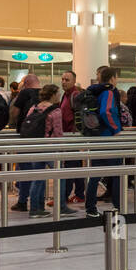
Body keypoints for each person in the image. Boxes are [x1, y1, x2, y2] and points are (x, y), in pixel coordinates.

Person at [83, 66, 122, 218]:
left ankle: (90, 207)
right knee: (118, 172)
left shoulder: (96, 91)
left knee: (95, 173)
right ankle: (119, 205)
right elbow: (106, 111)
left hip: (97, 137)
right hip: (108, 138)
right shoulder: (109, 92)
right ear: (112, 78)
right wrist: (116, 128)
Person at [24, 85, 64, 218]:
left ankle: (36, 208)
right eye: (58, 93)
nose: (59, 95)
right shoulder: (56, 110)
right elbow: (58, 133)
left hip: (35, 147)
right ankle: (61, 206)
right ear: (52, 95)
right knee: (61, 176)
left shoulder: (34, 108)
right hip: (50, 147)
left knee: (38, 178)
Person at [9, 74, 44, 213]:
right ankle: (38, 203)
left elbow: (14, 113)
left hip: (25, 136)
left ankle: (23, 201)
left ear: (26, 83)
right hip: (41, 138)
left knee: (24, 169)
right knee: (39, 171)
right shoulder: (45, 93)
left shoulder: (24, 93)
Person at [57, 70, 87, 206]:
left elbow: (79, 115)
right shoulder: (65, 95)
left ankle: (65, 196)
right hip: (66, 136)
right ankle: (78, 194)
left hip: (71, 137)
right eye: (62, 79)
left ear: (74, 81)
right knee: (73, 165)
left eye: (67, 80)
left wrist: (75, 134)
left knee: (70, 166)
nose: (64, 82)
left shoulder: (75, 95)